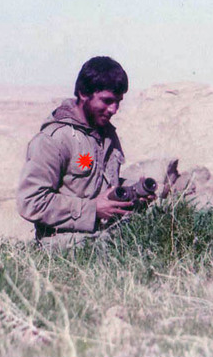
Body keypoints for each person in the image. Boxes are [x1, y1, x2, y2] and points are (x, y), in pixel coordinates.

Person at [17, 56, 135, 248]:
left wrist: (131, 192)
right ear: (83, 93)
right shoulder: (54, 139)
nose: (114, 109)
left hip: (107, 237)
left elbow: (100, 184)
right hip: (65, 246)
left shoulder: (107, 135)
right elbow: (31, 202)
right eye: (107, 101)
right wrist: (92, 210)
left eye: (118, 102)